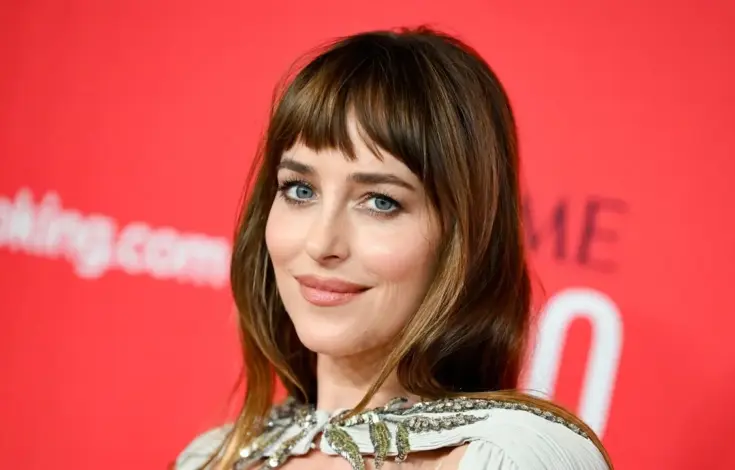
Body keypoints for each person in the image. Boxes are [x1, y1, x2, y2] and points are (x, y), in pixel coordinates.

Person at [176, 26, 613, 470]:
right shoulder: (210, 458)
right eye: (300, 190)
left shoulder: (514, 457)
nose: (322, 243)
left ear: (464, 236)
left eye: (380, 202)